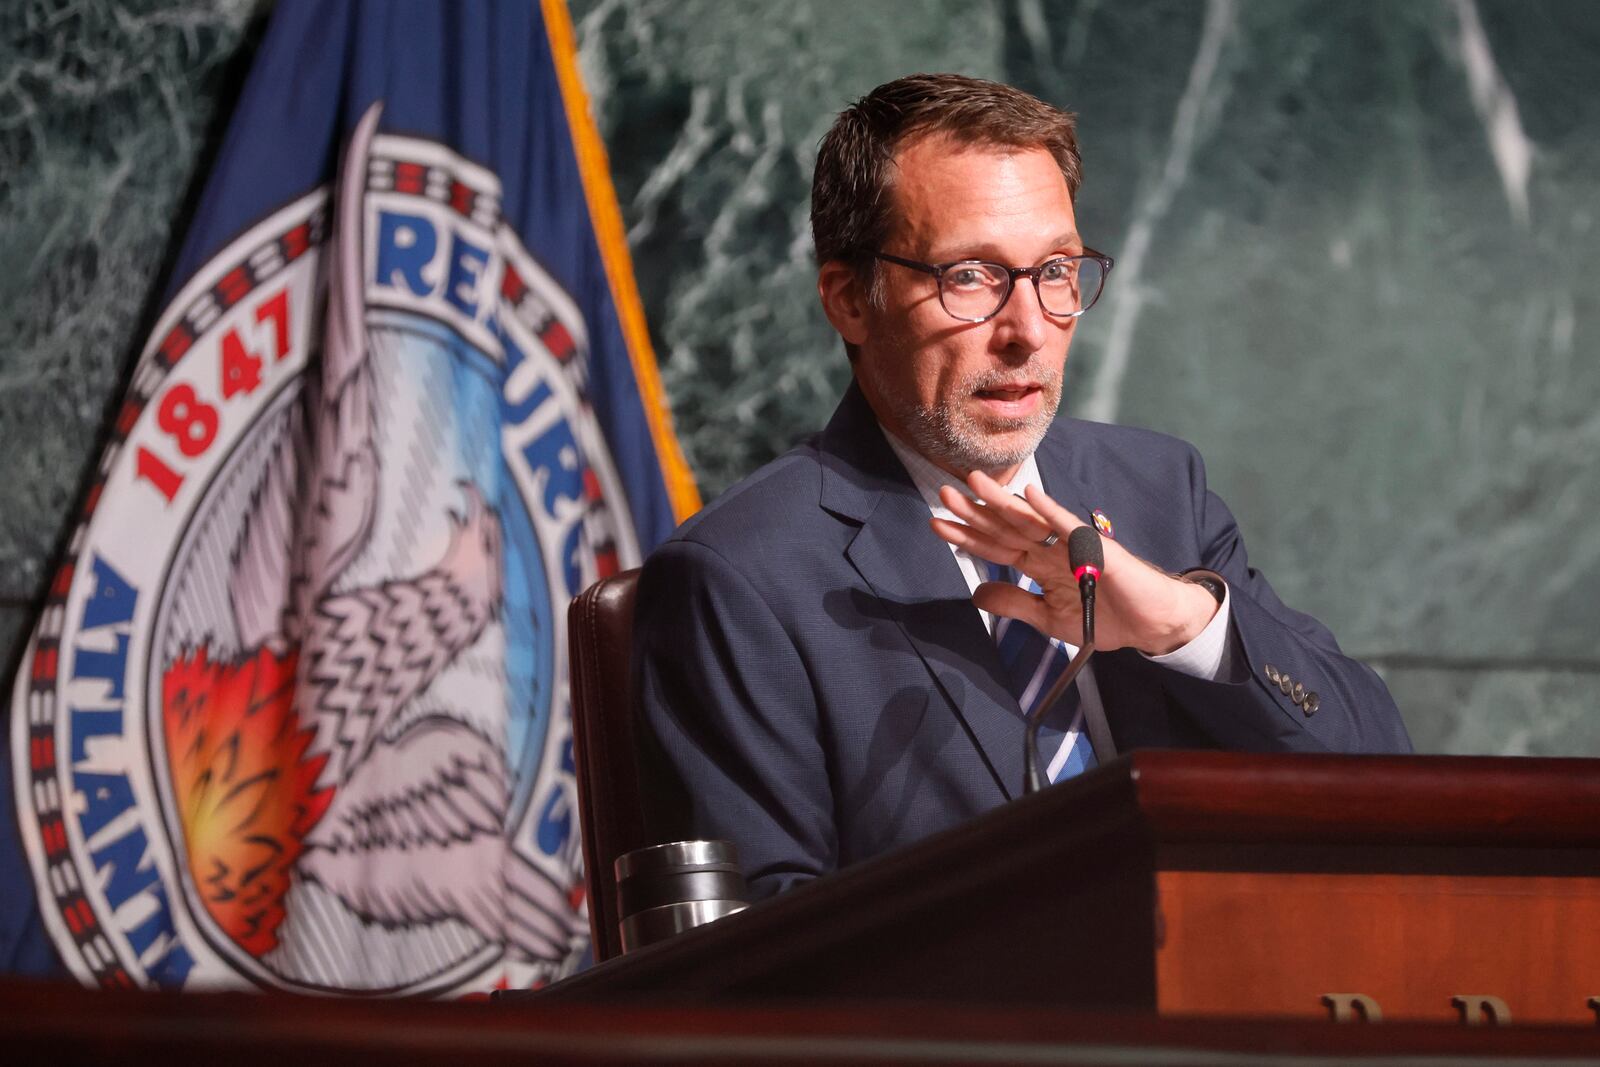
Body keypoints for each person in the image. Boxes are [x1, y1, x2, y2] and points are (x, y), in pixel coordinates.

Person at [632, 73, 1411, 901]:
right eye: (970, 276)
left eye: (1056, 271)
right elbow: (754, 959)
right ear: (851, 301)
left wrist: (1184, 624)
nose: (1028, 330)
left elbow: (1379, 777)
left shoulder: (1158, 489)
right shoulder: (743, 577)